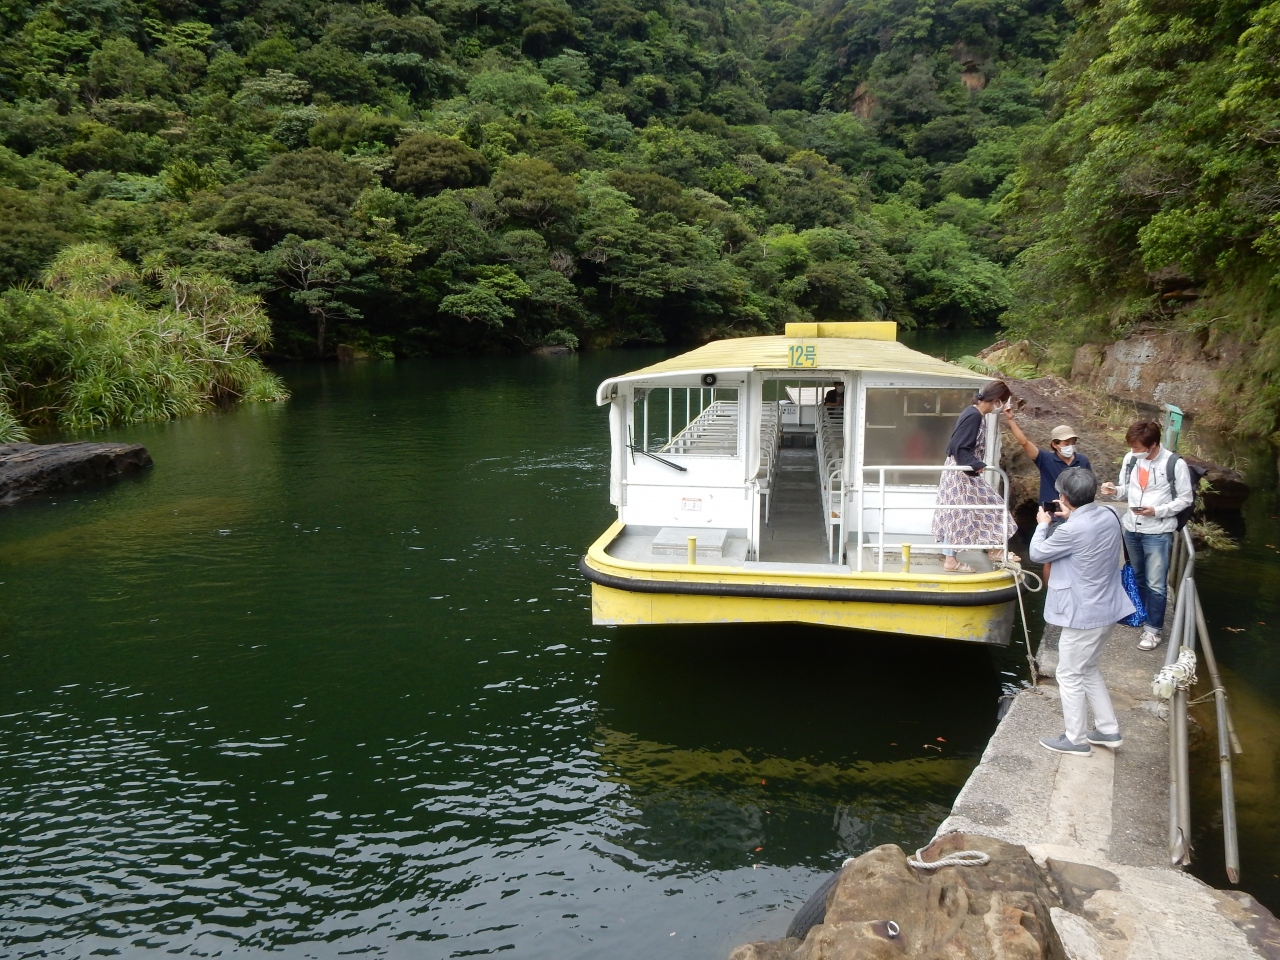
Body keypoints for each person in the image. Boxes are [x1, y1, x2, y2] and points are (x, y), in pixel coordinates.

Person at [1029, 469, 1135, 755]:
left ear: (1064, 497)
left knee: (1068, 674)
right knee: (1087, 668)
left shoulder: (1072, 530)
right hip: (1108, 607)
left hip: (1083, 614)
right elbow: (1088, 533)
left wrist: (1043, 524)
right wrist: (1071, 516)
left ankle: (1075, 739)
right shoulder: (1111, 514)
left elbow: (1037, 553)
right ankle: (1108, 730)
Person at [1100, 421, 1194, 651]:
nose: (1134, 451)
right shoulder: (1131, 459)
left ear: (1153, 445)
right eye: (1132, 447)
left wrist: (1157, 511)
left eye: (1138, 447)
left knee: (1156, 583)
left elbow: (1185, 499)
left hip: (1157, 531)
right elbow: (1126, 489)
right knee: (1139, 576)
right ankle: (1141, 614)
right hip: (1132, 527)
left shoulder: (1174, 464)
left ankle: (1153, 630)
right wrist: (1114, 490)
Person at [931, 380, 1018, 573]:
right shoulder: (974, 416)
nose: (1001, 406)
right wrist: (976, 465)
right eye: (1002, 401)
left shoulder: (974, 413)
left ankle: (985, 551)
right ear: (996, 400)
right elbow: (959, 447)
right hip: (961, 472)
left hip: (959, 470)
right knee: (990, 505)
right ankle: (992, 550)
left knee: (958, 512)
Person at [1001, 416, 1093, 581]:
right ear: (1055, 444)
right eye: (1066, 443)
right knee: (1049, 559)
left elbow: (1088, 486)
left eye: (1072, 442)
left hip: (1078, 516)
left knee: (1078, 557)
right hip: (1053, 518)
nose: (1070, 446)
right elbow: (1024, 442)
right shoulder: (1046, 459)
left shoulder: (1082, 461)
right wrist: (1010, 419)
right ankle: (1050, 591)